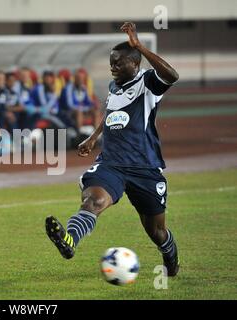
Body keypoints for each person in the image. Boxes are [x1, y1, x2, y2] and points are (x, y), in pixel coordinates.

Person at [45, 22, 181, 276]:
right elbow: (111, 114)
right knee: (93, 201)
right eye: (111, 63)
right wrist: (94, 137)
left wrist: (140, 46)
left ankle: (170, 254)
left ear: (135, 64)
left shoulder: (148, 83)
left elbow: (172, 76)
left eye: (118, 63)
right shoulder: (113, 87)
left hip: (145, 167)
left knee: (156, 231)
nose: (112, 68)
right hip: (112, 163)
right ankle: (70, 240)